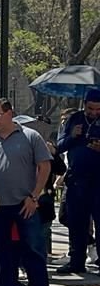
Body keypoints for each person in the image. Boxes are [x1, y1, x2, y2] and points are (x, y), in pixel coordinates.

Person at [0, 99, 56, 286]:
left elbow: (44, 166)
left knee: (33, 249)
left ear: (10, 114)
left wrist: (34, 196)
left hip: (25, 203)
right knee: (2, 250)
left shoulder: (30, 136)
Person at [55, 88, 100, 274]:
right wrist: (72, 136)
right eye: (90, 109)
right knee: (76, 223)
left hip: (98, 181)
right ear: (84, 105)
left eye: (98, 110)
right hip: (77, 179)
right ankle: (76, 260)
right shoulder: (75, 119)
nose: (94, 113)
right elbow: (59, 146)